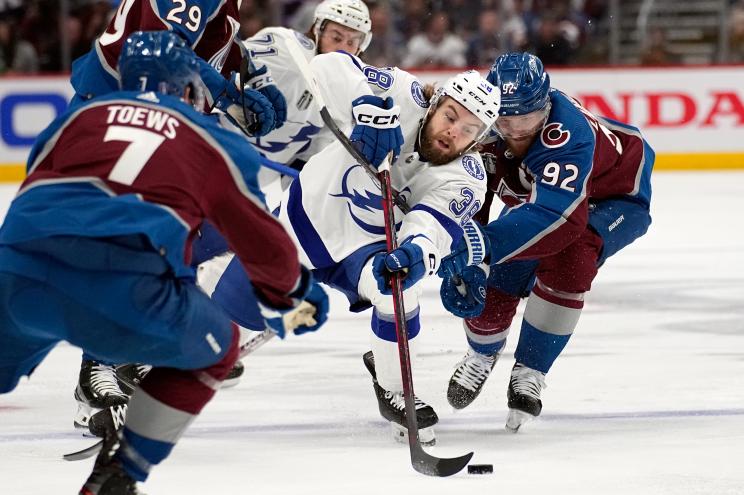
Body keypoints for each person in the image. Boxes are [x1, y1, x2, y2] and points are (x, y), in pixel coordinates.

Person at [0, 31, 327, 494]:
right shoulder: (208, 137)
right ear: (188, 87)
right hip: (124, 292)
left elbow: (30, 200)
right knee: (218, 348)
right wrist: (292, 294)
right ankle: (121, 471)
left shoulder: (76, 117)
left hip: (18, 274)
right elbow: (263, 243)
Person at [210, 51, 500, 445]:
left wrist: (414, 253)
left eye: (469, 130)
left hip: (364, 254)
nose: (454, 132)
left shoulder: (466, 178)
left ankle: (395, 388)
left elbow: (431, 227)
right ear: (435, 103)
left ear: (479, 140)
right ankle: (142, 359)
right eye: (451, 117)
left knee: (397, 288)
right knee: (228, 317)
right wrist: (370, 109)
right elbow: (328, 66)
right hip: (302, 224)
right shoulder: (401, 92)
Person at [66, 0, 290, 434]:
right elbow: (162, 46)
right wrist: (227, 94)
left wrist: (247, 75)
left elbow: (205, 39)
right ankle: (97, 367)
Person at [438, 52, 654, 432]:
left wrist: (480, 247)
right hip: (546, 199)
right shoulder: (483, 125)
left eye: (527, 118)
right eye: (506, 119)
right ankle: (481, 353)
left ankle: (531, 369)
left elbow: (560, 219)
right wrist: (468, 251)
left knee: (572, 256)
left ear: (545, 104)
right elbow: (470, 194)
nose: (517, 129)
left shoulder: (568, 134)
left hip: (614, 198)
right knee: (501, 264)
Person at [194, 0, 373, 385]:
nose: (342, 45)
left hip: (249, 183)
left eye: (351, 41)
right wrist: (240, 90)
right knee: (198, 250)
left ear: (362, 47)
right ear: (317, 30)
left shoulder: (345, 94)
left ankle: (210, 339)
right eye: (335, 35)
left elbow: (310, 170)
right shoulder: (281, 46)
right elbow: (225, 70)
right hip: (213, 158)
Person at [69, 0, 286, 138]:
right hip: (112, 105)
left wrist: (252, 76)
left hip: (141, 111)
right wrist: (227, 96)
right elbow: (162, 47)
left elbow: (212, 35)